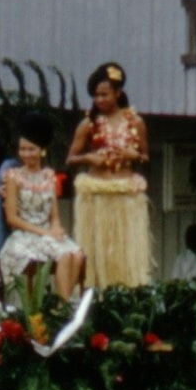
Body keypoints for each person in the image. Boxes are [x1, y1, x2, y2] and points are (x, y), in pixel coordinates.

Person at [64, 64, 150, 289]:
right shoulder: (89, 124)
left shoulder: (136, 122)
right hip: (97, 196)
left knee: (124, 254)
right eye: (95, 95)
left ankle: (126, 293)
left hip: (126, 198)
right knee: (97, 254)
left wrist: (135, 155)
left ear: (118, 93)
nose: (99, 99)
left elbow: (146, 157)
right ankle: (93, 292)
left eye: (104, 94)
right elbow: (70, 159)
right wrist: (89, 158)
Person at [0, 123, 82, 301]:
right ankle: (64, 307)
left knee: (77, 254)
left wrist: (56, 230)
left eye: (31, 149)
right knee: (64, 255)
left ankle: (63, 304)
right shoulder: (13, 176)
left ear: (42, 150)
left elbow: (54, 216)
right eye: (22, 149)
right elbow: (12, 219)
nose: (26, 154)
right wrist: (45, 233)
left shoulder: (49, 176)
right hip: (24, 235)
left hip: (47, 232)